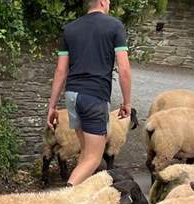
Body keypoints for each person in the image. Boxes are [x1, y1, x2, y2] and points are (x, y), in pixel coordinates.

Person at [45, 0, 132, 186]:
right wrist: (127, 103)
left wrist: (52, 106)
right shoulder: (115, 26)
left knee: (85, 154)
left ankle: (80, 199)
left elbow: (61, 71)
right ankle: (66, 197)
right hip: (94, 97)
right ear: (102, 1)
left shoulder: (70, 29)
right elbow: (124, 69)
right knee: (94, 158)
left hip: (72, 97)